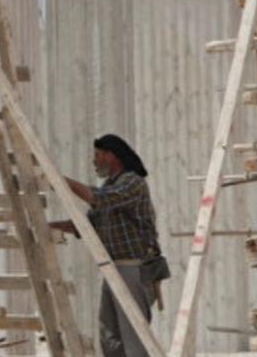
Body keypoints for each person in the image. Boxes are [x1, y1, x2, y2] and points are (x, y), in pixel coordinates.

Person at [50, 134, 169, 357]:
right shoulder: (110, 185)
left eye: (98, 155)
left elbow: (100, 198)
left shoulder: (132, 182)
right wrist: (50, 226)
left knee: (134, 337)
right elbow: (86, 226)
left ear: (112, 156)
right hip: (115, 269)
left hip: (134, 269)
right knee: (110, 338)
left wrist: (61, 181)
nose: (94, 161)